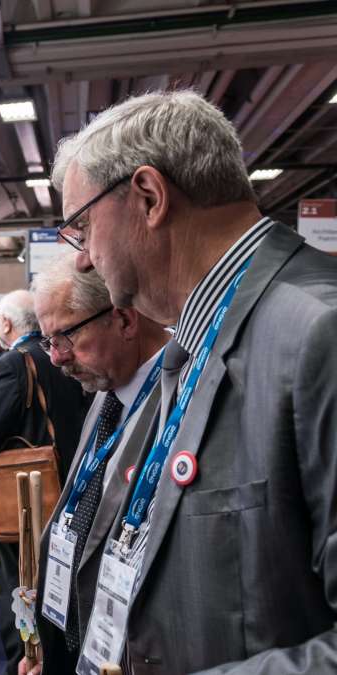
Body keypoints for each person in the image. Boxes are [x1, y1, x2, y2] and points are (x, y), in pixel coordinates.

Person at [51, 89, 337, 674]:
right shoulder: (196, 338)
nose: (81, 258)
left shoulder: (316, 333)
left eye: (83, 226)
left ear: (149, 197)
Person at [22, 254, 168, 675]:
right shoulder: (106, 396)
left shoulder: (184, 402)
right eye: (49, 341)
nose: (56, 357)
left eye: (66, 336)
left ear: (123, 319)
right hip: (81, 643)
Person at [0, 289, 88, 675]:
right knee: (51, 580)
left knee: (17, 582)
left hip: (24, 492)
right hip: (65, 484)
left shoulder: (14, 362)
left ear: (7, 324)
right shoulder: (58, 354)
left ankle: (23, 662)